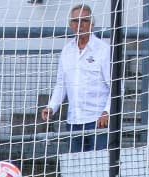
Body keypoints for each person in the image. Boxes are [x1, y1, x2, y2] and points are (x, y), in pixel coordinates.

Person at [39, 4, 112, 152]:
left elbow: (117, 85)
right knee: (76, 168)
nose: (80, 25)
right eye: (75, 21)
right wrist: (52, 107)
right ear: (70, 25)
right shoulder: (66, 51)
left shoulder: (104, 50)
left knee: (100, 167)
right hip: (74, 121)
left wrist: (107, 112)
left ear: (92, 24)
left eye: (84, 21)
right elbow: (61, 84)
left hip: (98, 121)